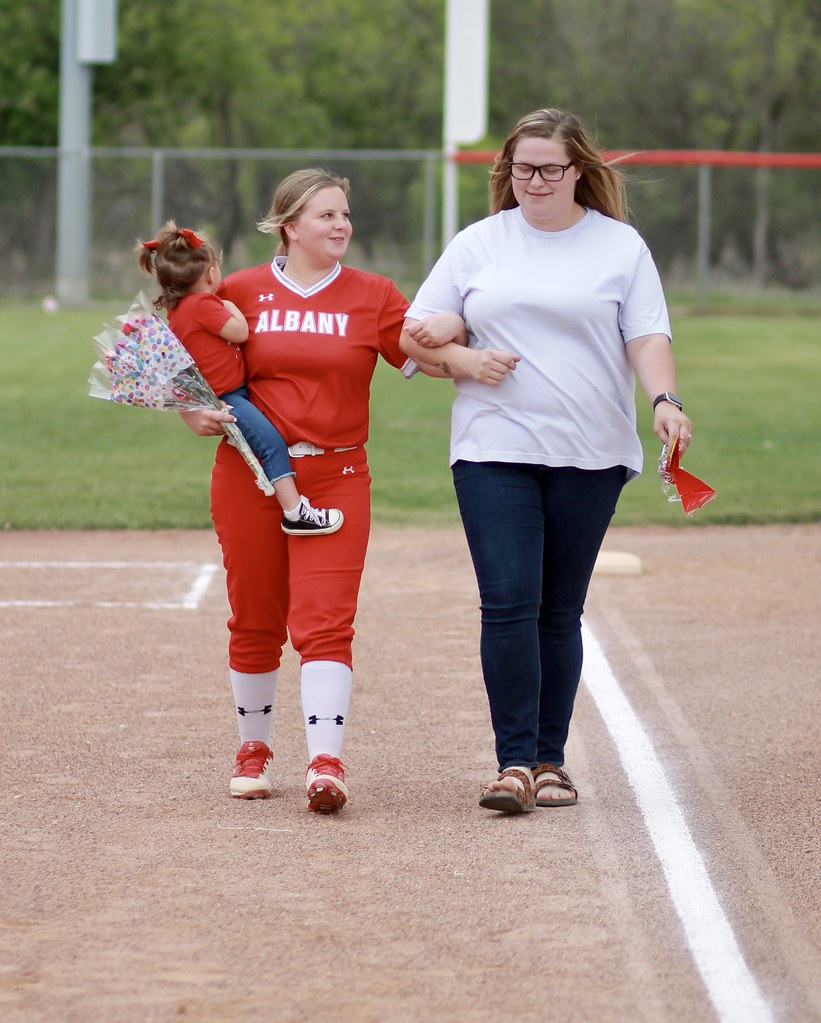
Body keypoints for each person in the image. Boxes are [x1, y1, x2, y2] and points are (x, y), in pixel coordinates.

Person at [400, 108, 693, 815]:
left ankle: (549, 761)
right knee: (507, 601)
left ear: (577, 171)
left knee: (558, 611)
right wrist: (460, 352)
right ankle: (511, 764)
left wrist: (663, 398)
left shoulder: (618, 247)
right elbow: (413, 338)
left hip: (589, 449)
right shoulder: (478, 244)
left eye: (548, 168)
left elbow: (646, 334)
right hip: (492, 444)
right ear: (507, 173)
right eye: (520, 168)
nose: (533, 180)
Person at [178, 169, 459, 812]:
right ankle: (253, 750)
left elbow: (426, 356)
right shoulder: (240, 291)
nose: (341, 226)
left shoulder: (373, 294)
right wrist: (188, 412)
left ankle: (325, 763)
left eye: (345, 214)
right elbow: (195, 370)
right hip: (249, 475)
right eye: (326, 215)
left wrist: (459, 332)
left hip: (337, 474)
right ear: (289, 226)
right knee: (254, 618)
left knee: (326, 623)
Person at [137, 220, 343, 536]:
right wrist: (229, 305)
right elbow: (240, 331)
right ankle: (295, 511)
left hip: (225, 393)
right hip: (229, 397)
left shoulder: (177, 309)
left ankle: (291, 506)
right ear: (211, 275)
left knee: (262, 441)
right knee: (271, 443)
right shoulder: (204, 304)